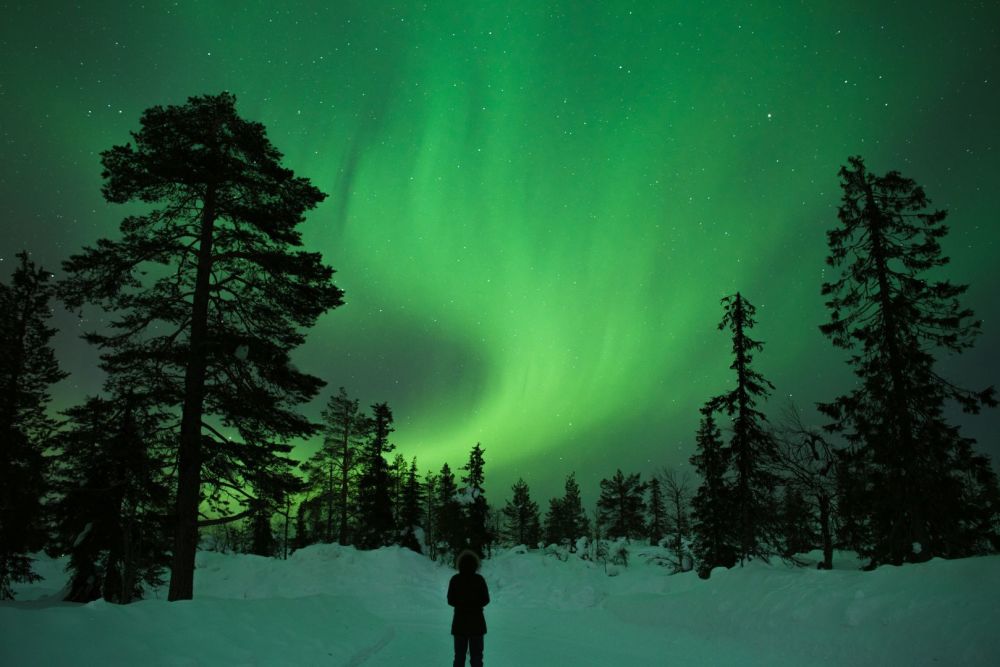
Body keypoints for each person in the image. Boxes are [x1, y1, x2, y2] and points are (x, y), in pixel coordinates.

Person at [447, 549, 490, 667]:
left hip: (459, 623)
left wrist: (462, 605)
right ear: (475, 564)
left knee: (459, 656)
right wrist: (474, 605)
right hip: (477, 623)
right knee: (477, 657)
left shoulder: (455, 579)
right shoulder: (479, 579)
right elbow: (486, 599)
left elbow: (450, 600)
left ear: (459, 563)